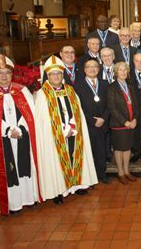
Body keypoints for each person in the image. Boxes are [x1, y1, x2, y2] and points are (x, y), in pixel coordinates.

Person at [0, 55, 41, 218]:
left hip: (23, 136)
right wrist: (7, 130)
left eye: (7, 72)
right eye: (0, 73)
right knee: (9, 169)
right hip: (3, 139)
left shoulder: (22, 90)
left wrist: (20, 128)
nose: (4, 76)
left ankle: (29, 198)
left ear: (12, 74)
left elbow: (30, 114)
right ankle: (13, 204)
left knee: (25, 164)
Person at [35, 56, 98, 204]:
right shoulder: (42, 94)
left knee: (76, 155)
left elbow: (78, 113)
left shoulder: (70, 90)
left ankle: (78, 185)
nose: (56, 76)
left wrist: (72, 127)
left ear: (62, 75)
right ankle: (58, 190)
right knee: (56, 162)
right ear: (47, 76)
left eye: (59, 74)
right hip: (54, 138)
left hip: (74, 133)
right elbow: (42, 120)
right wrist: (62, 130)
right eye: (53, 74)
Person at [74, 60, 111, 184]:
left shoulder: (105, 84)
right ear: (84, 70)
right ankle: (91, 175)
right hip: (88, 123)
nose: (92, 69)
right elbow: (78, 106)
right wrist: (92, 120)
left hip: (103, 122)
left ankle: (102, 173)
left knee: (102, 149)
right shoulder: (77, 86)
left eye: (95, 66)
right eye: (89, 67)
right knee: (90, 150)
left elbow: (110, 104)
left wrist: (104, 118)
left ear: (99, 69)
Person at [107, 61, 139, 184]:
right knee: (119, 149)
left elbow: (135, 104)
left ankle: (127, 171)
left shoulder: (130, 86)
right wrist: (124, 121)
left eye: (125, 70)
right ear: (116, 72)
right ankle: (120, 173)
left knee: (127, 149)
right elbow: (112, 108)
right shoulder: (112, 87)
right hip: (119, 124)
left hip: (131, 123)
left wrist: (135, 118)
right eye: (120, 70)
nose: (123, 72)